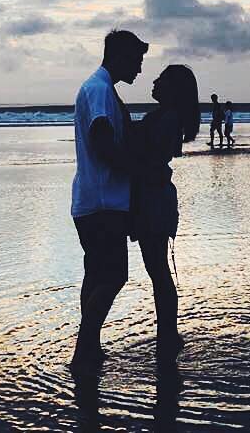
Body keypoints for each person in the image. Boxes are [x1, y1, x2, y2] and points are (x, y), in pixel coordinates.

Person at [70, 29, 148, 372]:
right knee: (114, 276)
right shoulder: (100, 90)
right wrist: (136, 169)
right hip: (104, 202)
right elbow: (102, 141)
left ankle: (90, 347)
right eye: (137, 60)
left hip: (90, 200)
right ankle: (83, 349)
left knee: (95, 274)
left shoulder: (98, 87)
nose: (140, 68)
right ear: (120, 56)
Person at [129, 64, 199, 365]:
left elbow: (148, 156)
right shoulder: (165, 117)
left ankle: (168, 333)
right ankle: (168, 333)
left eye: (162, 79)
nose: (155, 82)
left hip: (154, 199)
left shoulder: (167, 118)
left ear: (173, 90)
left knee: (158, 271)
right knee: (158, 270)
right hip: (154, 197)